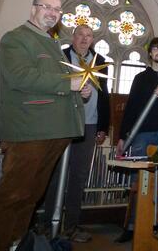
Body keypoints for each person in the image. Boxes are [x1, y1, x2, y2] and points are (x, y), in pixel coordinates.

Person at [0, 0, 91, 251]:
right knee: (13, 196)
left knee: (31, 197)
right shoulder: (16, 38)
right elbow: (20, 77)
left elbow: (63, 84)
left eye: (58, 9)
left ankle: (15, 244)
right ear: (33, 9)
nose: (53, 13)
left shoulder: (52, 44)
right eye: (47, 7)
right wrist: (70, 83)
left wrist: (82, 90)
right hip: (28, 130)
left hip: (53, 132)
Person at [41, 24, 110, 243]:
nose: (84, 38)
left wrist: (102, 126)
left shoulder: (99, 61)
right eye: (80, 34)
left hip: (88, 125)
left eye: (88, 36)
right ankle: (46, 225)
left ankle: (71, 226)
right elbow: (49, 86)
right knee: (55, 174)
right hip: (60, 123)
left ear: (92, 40)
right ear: (73, 36)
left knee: (79, 177)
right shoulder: (59, 56)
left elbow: (104, 94)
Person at [114, 36, 158, 242]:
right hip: (141, 134)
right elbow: (131, 108)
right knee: (138, 182)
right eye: (156, 48)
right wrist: (122, 136)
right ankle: (132, 227)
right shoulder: (140, 78)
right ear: (150, 53)